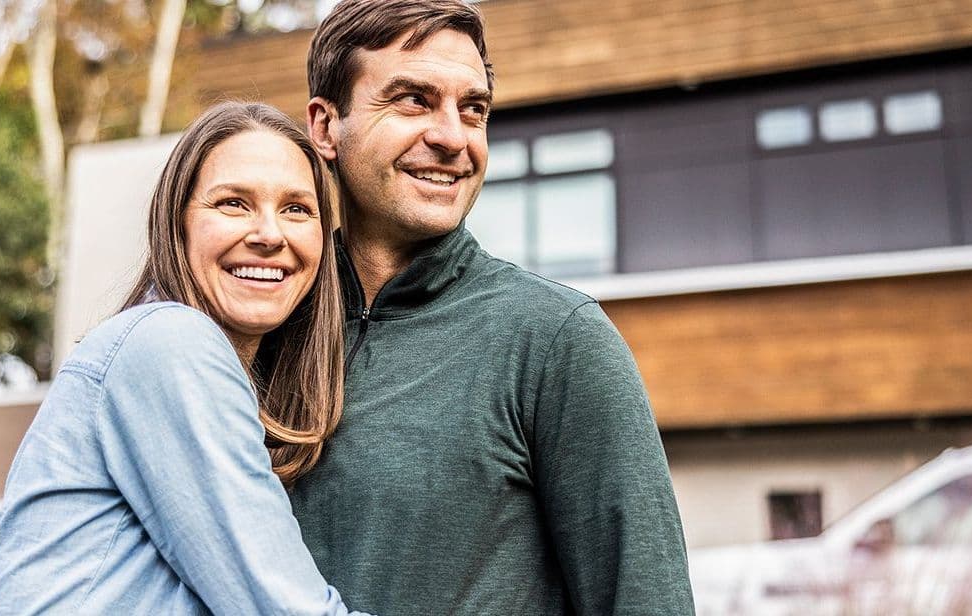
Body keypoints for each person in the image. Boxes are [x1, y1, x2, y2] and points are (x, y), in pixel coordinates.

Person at [287, 1, 696, 614]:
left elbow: (644, 601)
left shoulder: (556, 340)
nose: (454, 138)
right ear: (325, 126)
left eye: (473, 110)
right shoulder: (266, 328)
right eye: (413, 100)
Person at [0, 102, 370, 616]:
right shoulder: (170, 341)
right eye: (233, 203)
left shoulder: (196, 364)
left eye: (297, 209)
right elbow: (281, 606)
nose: (270, 235)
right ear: (177, 221)